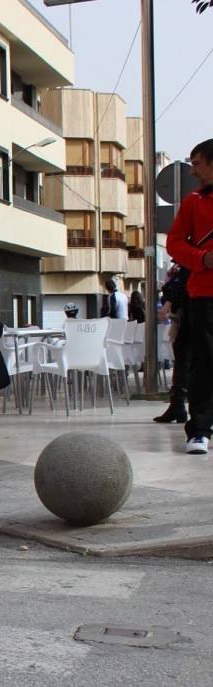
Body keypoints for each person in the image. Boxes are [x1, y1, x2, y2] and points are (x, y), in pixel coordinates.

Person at [165, 138, 213, 455]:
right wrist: (202, 259)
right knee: (206, 361)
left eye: (196, 163)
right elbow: (174, 244)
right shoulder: (193, 201)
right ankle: (199, 429)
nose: (192, 170)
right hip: (204, 293)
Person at [155, 265, 191, 423]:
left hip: (190, 312)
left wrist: (168, 304)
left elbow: (181, 284)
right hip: (187, 312)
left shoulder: (188, 263)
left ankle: (178, 406)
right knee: (184, 360)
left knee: (184, 359)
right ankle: (177, 405)